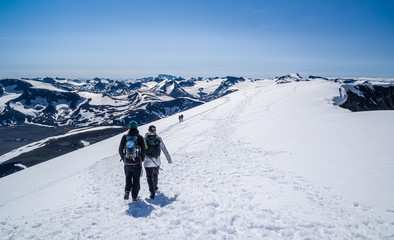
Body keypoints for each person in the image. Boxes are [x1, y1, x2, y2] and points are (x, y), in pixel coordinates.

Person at [118, 121, 146, 201]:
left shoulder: (125, 137)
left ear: (129, 127)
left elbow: (120, 149)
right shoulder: (139, 137)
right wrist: (142, 158)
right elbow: (143, 149)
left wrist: (124, 158)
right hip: (137, 162)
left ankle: (127, 191)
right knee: (136, 179)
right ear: (136, 127)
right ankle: (134, 197)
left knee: (128, 177)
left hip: (127, 162)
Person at [144, 125, 172, 199]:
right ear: (155, 131)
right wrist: (169, 159)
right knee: (155, 175)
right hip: (157, 161)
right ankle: (155, 187)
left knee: (149, 177)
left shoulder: (145, 138)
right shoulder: (158, 138)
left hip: (147, 161)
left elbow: (143, 150)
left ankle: (152, 191)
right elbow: (164, 149)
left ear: (148, 130)